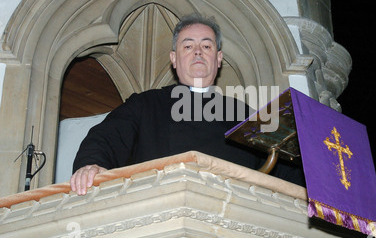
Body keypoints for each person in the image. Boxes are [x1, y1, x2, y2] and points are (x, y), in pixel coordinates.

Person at [70, 13, 305, 195]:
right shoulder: (146, 104)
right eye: (188, 46)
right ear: (174, 58)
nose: (198, 53)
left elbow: (285, 166)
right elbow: (106, 138)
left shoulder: (244, 114)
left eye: (206, 46)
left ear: (218, 58)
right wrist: (92, 165)